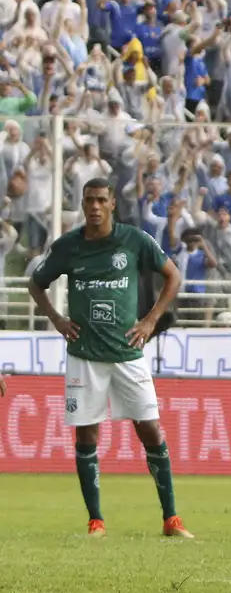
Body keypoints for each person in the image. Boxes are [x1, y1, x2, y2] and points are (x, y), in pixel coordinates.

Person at [26, 178, 193, 539]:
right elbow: (36, 283)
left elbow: (173, 276)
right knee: (87, 436)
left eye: (101, 200)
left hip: (127, 353)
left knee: (149, 427)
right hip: (84, 355)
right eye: (89, 200)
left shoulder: (133, 240)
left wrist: (150, 320)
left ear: (113, 204)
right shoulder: (68, 246)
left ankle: (171, 519)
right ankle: (96, 521)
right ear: (83, 204)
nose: (95, 206)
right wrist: (56, 319)